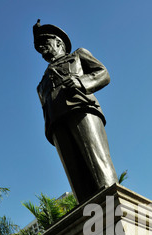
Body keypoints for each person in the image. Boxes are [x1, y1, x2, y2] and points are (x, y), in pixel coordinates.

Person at [33, 20, 119, 203]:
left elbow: (103, 73)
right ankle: (88, 214)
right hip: (55, 123)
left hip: (81, 108)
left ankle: (114, 203)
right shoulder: (40, 85)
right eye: (39, 48)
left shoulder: (78, 56)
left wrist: (81, 82)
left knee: (97, 160)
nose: (42, 50)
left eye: (44, 44)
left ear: (58, 42)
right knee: (76, 177)